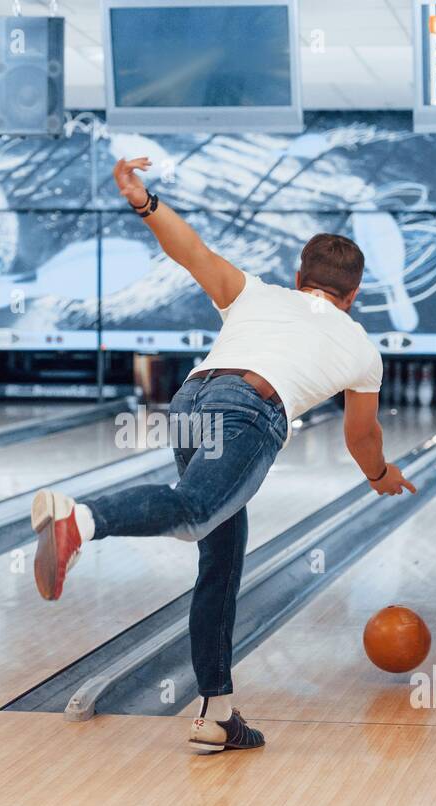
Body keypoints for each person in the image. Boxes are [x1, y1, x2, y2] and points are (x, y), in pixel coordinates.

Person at [31, 158, 416, 753]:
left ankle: (217, 712)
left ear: (299, 276)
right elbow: (361, 437)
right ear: (355, 293)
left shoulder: (254, 294)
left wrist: (143, 200)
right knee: (193, 513)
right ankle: (79, 520)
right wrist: (382, 475)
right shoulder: (363, 346)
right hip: (251, 412)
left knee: (221, 561)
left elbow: (190, 251)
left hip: (192, 403)